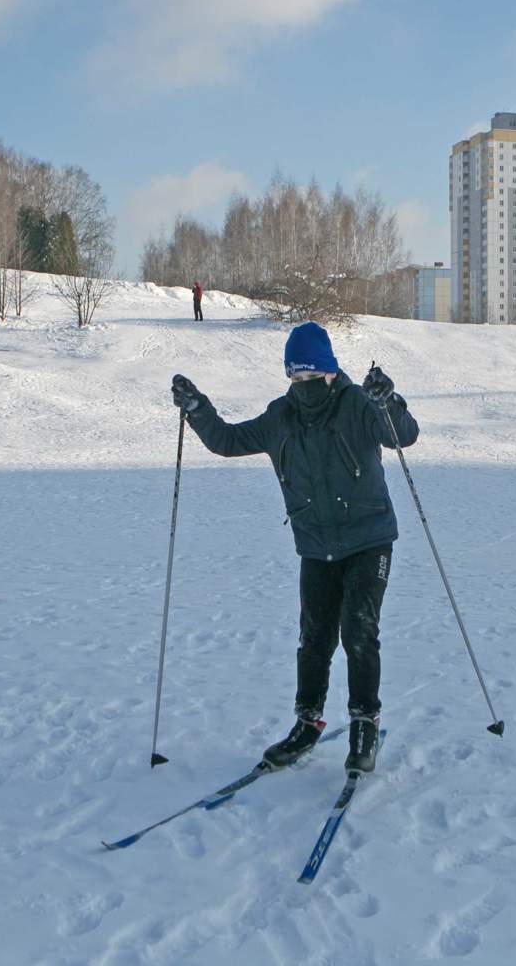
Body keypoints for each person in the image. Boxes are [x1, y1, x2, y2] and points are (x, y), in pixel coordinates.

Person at [170, 321, 419, 774]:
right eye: (295, 378)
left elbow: (402, 434)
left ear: (329, 371)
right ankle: (308, 722)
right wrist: (197, 409)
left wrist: (389, 401)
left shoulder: (358, 405)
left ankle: (364, 721)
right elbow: (228, 441)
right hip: (316, 545)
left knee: (358, 629)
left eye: (310, 377)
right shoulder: (280, 417)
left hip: (369, 539)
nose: (303, 386)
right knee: (314, 639)